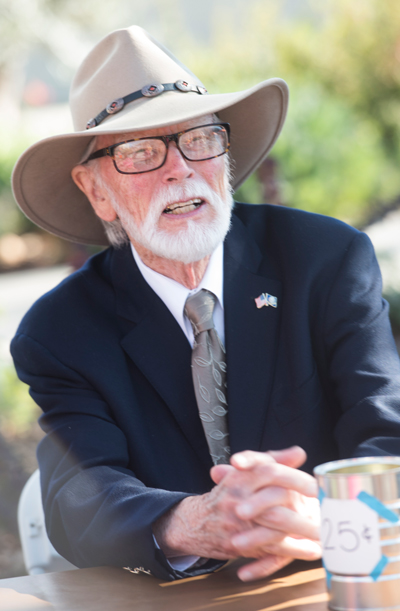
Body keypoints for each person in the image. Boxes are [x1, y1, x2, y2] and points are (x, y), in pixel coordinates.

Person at [11, 26, 400, 582]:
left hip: (336, 576)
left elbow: (387, 426)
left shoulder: (325, 260)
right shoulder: (60, 332)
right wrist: (193, 521)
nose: (181, 168)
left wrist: (332, 517)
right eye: (141, 152)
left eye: (199, 139)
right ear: (97, 192)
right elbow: (79, 495)